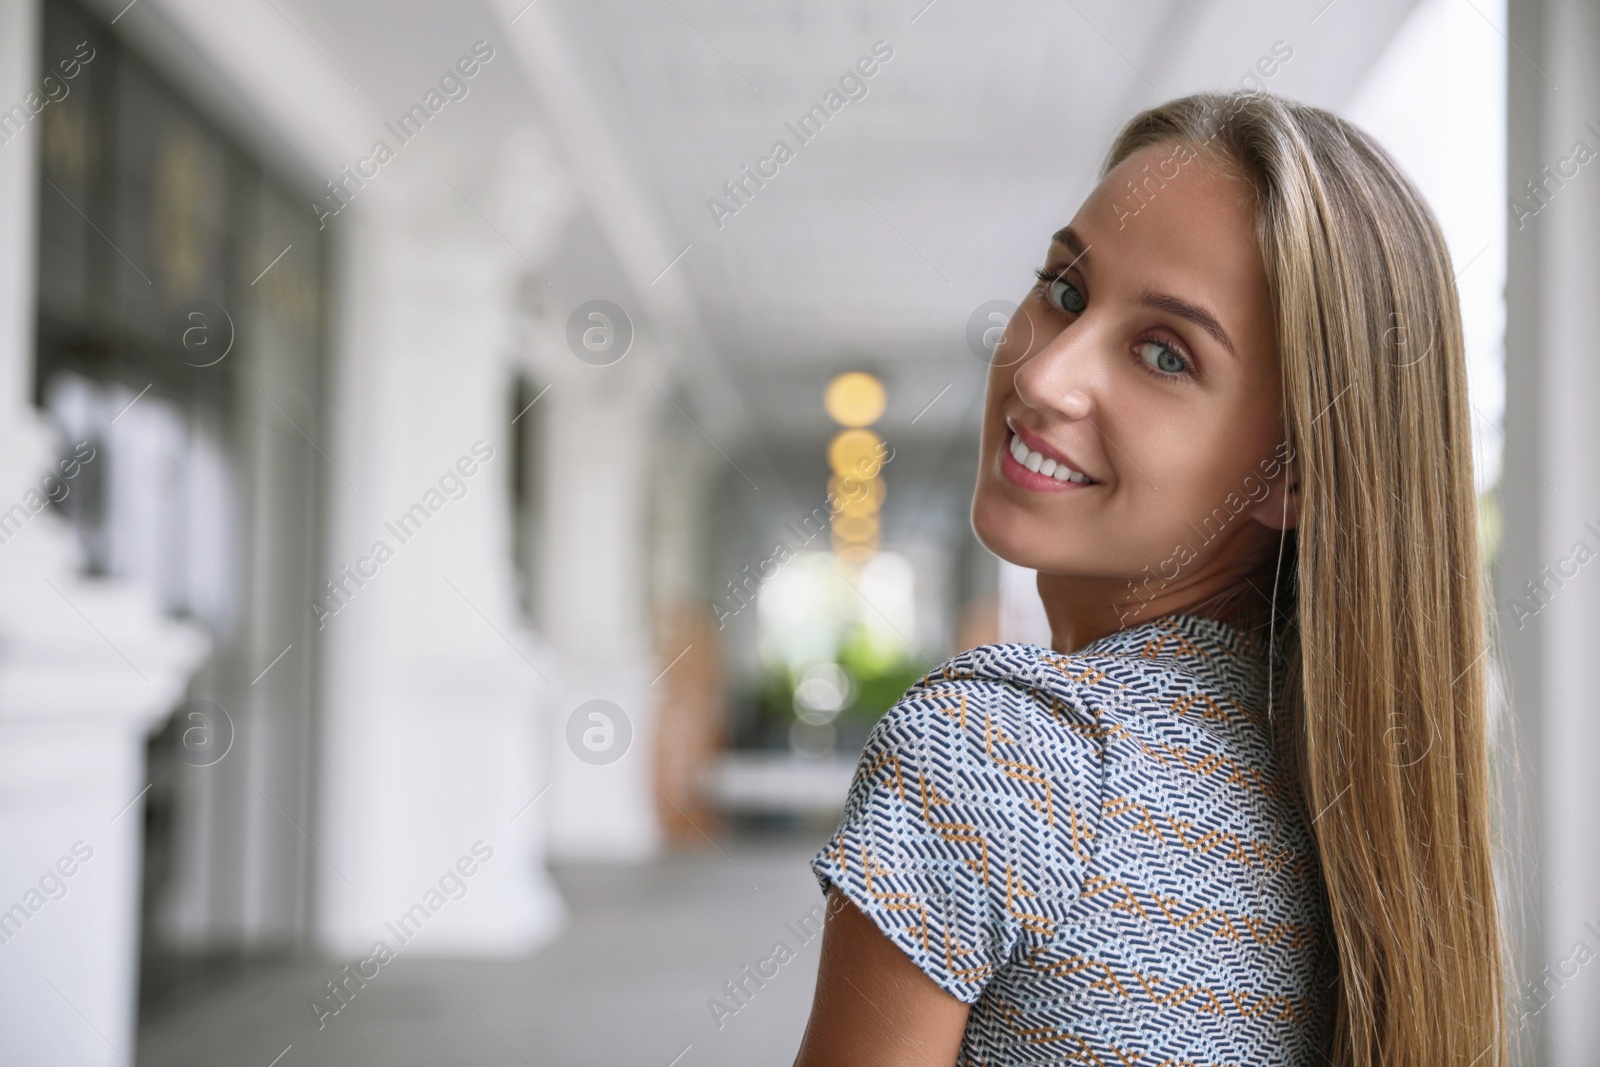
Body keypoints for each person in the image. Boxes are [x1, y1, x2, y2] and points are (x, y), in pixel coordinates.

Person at [793, 90, 1507, 1067]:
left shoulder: (995, 754)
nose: (1045, 375)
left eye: (1164, 354)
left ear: (1291, 470)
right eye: (1066, 290)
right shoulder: (1375, 826)